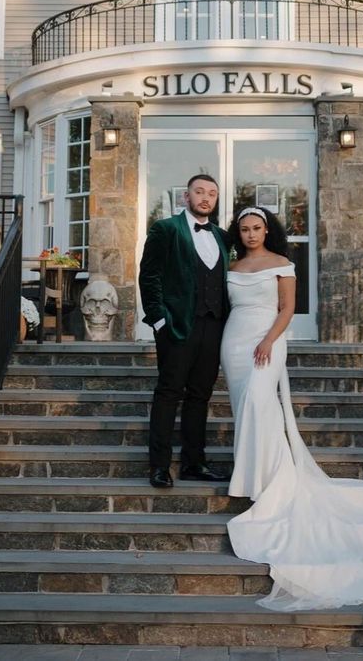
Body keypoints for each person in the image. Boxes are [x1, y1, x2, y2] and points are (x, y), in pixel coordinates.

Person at [221, 205, 363, 611]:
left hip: (266, 340)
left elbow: (287, 309)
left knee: (260, 403)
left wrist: (268, 341)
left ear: (267, 230)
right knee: (244, 408)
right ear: (239, 232)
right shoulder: (232, 266)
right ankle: (255, 475)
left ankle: (269, 485)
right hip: (232, 342)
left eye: (257, 228)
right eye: (245, 229)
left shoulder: (283, 263)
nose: (251, 234)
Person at [139, 173, 230, 489]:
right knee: (168, 394)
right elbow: (149, 277)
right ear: (186, 197)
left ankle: (194, 463)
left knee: (200, 396)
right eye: (200, 192)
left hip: (214, 326)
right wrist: (159, 320)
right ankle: (159, 466)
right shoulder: (165, 229)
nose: (206, 198)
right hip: (176, 327)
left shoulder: (222, 236)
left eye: (212, 194)